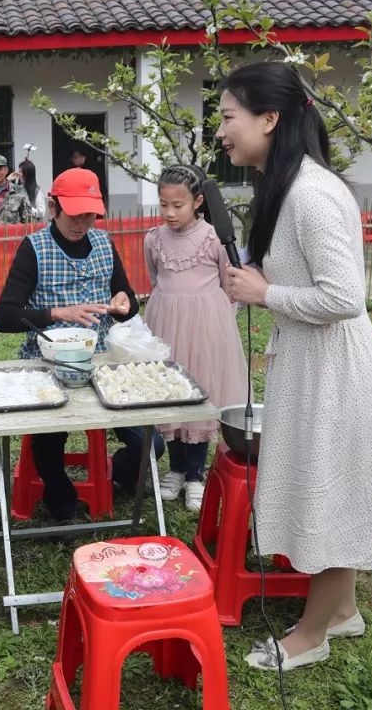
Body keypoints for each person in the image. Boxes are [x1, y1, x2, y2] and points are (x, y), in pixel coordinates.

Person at [217, 61, 372, 671]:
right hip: (313, 365)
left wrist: (264, 294)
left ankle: (311, 634)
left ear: (270, 119)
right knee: (326, 489)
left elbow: (345, 299)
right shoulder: (286, 185)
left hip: (339, 376)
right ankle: (342, 611)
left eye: (228, 117)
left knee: (329, 499)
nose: (221, 131)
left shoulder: (311, 194)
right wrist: (258, 286)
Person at [0, 167, 163, 520]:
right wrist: (57, 313)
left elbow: (126, 300)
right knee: (49, 435)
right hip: (49, 361)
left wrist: (122, 304)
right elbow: (5, 316)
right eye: (74, 214)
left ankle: (119, 471)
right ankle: (59, 490)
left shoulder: (103, 243)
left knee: (152, 443)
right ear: (54, 208)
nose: (82, 222)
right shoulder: (35, 248)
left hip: (101, 360)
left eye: (90, 214)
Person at [143, 165, 248, 510]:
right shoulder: (154, 239)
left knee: (199, 394)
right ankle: (174, 469)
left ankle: (195, 474)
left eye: (178, 205)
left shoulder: (214, 238)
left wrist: (210, 319)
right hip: (166, 325)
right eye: (163, 205)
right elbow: (155, 277)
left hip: (205, 326)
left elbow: (227, 284)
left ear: (198, 201)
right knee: (170, 397)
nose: (170, 213)